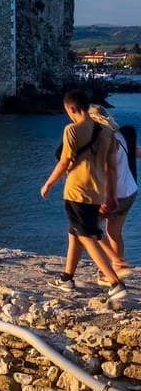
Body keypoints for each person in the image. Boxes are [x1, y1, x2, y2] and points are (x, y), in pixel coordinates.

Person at [41, 89, 125, 298]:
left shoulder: (71, 130)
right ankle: (67, 278)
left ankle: (115, 283)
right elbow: (112, 167)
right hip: (97, 192)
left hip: (76, 191)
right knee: (74, 234)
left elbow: (64, 161)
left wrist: (49, 183)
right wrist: (112, 195)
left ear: (71, 108)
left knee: (85, 235)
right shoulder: (107, 132)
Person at [93, 105, 138, 275]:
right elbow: (135, 153)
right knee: (113, 232)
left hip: (114, 194)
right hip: (130, 192)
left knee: (89, 227)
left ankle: (116, 263)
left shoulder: (102, 140)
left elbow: (107, 169)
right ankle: (118, 267)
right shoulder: (121, 135)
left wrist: (106, 198)